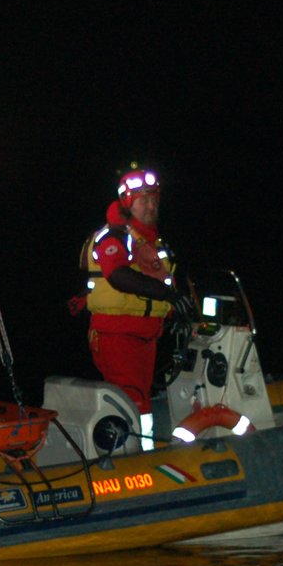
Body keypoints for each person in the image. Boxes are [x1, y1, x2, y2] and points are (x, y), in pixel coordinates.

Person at [78, 167, 191, 426]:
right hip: (117, 336)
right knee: (132, 403)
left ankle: (142, 451)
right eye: (142, 200)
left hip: (146, 336)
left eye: (153, 199)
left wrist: (178, 310)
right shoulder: (114, 237)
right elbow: (118, 275)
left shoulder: (151, 242)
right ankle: (135, 459)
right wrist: (167, 295)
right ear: (128, 204)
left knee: (142, 400)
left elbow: (161, 280)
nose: (150, 206)